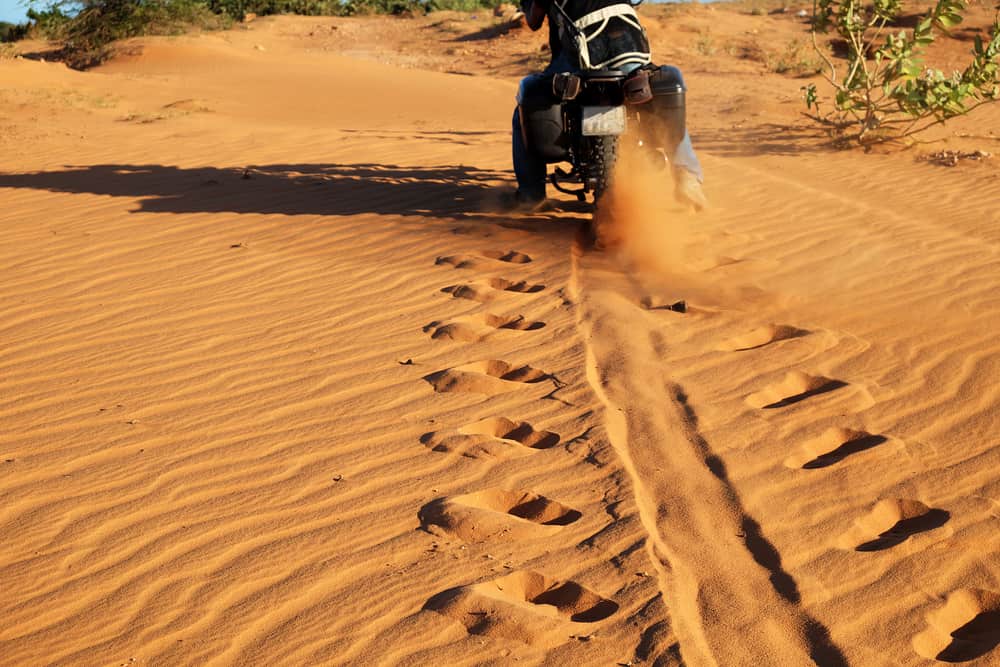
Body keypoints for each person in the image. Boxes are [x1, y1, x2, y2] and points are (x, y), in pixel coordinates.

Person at [508, 0, 707, 211]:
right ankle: (687, 177)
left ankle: (531, 195)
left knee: (524, 110)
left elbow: (534, 20)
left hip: (580, 50)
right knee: (661, 98)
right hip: (629, 46)